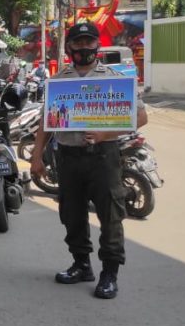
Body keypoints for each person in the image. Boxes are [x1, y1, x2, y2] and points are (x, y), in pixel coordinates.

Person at [31, 22, 148, 300]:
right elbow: (46, 123)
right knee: (72, 214)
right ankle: (81, 265)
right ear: (69, 47)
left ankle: (110, 273)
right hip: (68, 158)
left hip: (103, 158)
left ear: (97, 45)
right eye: (78, 43)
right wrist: (37, 157)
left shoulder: (113, 79)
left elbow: (141, 118)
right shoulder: (60, 81)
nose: (84, 48)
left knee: (110, 215)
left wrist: (106, 132)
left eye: (89, 42)